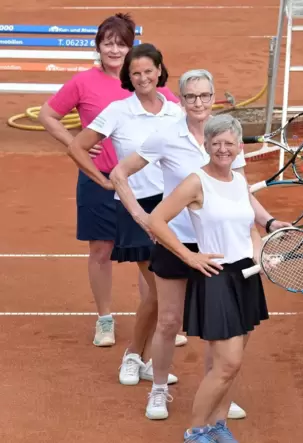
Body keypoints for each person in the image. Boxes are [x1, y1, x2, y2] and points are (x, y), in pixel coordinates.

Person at [109, 69, 289, 421]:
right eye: (190, 96)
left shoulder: (223, 135)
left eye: (205, 95)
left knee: (218, 329)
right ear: (182, 99)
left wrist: (266, 221)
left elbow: (239, 190)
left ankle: (217, 395)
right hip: (178, 242)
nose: (198, 103)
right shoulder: (165, 135)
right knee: (169, 321)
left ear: (213, 96)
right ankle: (159, 391)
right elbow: (119, 174)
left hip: (218, 243)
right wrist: (143, 218)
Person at [37, 13, 185, 349]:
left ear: (131, 48)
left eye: (121, 44)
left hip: (146, 186)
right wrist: (76, 146)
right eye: (108, 44)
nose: (114, 50)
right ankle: (105, 318)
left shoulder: (149, 85)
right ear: (99, 47)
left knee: (149, 252)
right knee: (101, 249)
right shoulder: (83, 82)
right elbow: (48, 115)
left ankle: (162, 318)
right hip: (100, 179)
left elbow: (179, 122)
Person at [67, 43, 183, 386]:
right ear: (128, 78)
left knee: (156, 294)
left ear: (160, 70)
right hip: (135, 209)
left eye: (149, 71)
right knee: (160, 291)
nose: (144, 77)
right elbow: (77, 146)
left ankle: (141, 358)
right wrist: (102, 180)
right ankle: (133, 356)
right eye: (136, 73)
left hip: (172, 206)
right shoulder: (118, 111)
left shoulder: (174, 110)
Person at [147, 113, 266, 443]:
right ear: (206, 145)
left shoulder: (240, 183)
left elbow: (249, 228)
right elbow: (157, 220)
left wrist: (257, 250)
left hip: (245, 277)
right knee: (227, 363)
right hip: (216, 278)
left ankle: (217, 424)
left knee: (232, 366)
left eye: (230, 143)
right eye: (217, 144)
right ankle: (195, 431)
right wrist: (189, 256)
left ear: (239, 147)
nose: (223, 149)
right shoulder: (196, 181)